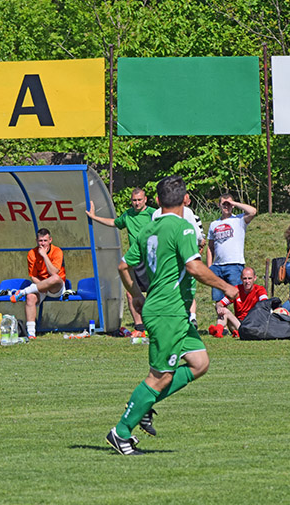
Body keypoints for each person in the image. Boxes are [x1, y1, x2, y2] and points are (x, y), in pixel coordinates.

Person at [106, 175, 238, 455]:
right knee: (160, 376)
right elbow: (194, 268)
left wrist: (138, 295)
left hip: (169, 309)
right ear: (185, 199)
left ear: (156, 200)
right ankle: (121, 431)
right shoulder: (183, 228)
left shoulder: (147, 230)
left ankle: (145, 405)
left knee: (199, 362)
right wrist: (227, 286)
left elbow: (122, 266)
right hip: (168, 311)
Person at [86, 188, 155, 336]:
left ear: (145, 199)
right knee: (131, 294)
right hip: (134, 259)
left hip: (150, 259)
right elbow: (114, 222)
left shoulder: (153, 214)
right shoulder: (128, 214)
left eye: (139, 200)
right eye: (134, 200)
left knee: (153, 293)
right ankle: (140, 327)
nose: (136, 203)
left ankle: (154, 325)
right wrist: (94, 217)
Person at [153, 192, 205, 328]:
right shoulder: (186, 212)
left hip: (164, 258)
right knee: (188, 287)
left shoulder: (155, 214)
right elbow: (198, 235)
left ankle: (170, 318)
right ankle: (190, 317)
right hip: (186, 255)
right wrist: (199, 244)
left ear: (159, 200)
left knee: (168, 287)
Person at [9, 228, 66, 339]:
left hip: (56, 287)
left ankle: (23, 291)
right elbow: (33, 276)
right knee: (30, 297)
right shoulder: (32, 253)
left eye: (45, 240)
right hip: (40, 286)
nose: (43, 243)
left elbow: (54, 272)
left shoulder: (57, 251)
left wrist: (44, 256)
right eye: (40, 241)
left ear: (50, 240)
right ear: (36, 240)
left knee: (55, 278)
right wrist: (42, 287)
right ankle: (31, 333)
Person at [206, 194, 257, 303]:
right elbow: (210, 247)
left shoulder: (239, 220)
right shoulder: (214, 224)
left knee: (238, 298)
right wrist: (210, 267)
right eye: (224, 204)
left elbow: (252, 211)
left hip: (234, 264)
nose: (226, 206)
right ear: (219, 205)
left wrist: (234, 203)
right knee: (219, 302)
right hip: (217, 267)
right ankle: (222, 320)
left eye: (229, 204)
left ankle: (241, 319)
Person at [209, 267, 268, 338]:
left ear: (254, 278)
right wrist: (219, 307)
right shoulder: (236, 290)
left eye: (249, 278)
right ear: (241, 278)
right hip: (237, 323)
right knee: (224, 310)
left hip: (253, 323)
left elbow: (265, 303)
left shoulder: (259, 290)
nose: (247, 281)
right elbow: (220, 303)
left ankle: (230, 332)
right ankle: (218, 330)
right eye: (244, 278)